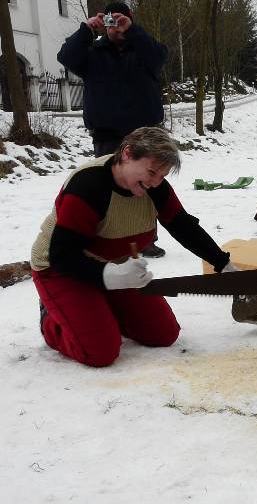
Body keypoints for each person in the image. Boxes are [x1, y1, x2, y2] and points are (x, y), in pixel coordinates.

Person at [30, 127, 236, 367]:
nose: (155, 182)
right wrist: (108, 275)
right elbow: (62, 255)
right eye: (151, 172)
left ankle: (99, 309)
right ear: (127, 154)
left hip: (115, 267)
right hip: (62, 270)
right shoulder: (88, 185)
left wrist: (222, 262)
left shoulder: (155, 188)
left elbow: (183, 226)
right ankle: (51, 320)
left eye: (162, 176)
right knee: (100, 352)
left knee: (163, 334)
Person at [57, 0, 169, 258]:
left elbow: (159, 57)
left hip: (143, 134)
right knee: (109, 189)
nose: (115, 26)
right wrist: (86, 29)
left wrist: (132, 30)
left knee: (147, 185)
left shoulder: (143, 50)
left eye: (120, 20)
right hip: (106, 134)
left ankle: (146, 238)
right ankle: (111, 237)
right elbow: (66, 57)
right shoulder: (93, 53)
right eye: (110, 21)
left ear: (130, 19)